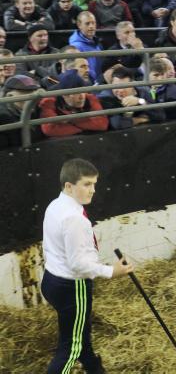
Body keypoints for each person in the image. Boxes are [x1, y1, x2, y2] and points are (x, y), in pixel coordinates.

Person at [42, 159, 134, 373]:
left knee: (80, 334)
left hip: (51, 280)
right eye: (86, 184)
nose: (93, 190)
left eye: (94, 184)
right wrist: (111, 271)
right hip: (72, 288)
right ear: (68, 186)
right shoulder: (75, 218)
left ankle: (95, 369)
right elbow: (78, 264)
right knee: (71, 349)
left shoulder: (55, 206)